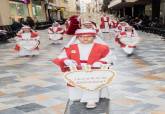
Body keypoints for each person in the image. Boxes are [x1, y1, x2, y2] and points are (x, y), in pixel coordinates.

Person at [52, 29, 113, 108]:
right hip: (77, 69)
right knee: (77, 82)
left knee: (92, 83)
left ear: (94, 37)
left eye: (89, 36)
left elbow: (110, 57)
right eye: (81, 37)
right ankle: (78, 96)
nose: (85, 38)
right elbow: (61, 57)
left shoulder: (102, 47)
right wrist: (67, 60)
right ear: (77, 38)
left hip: (93, 70)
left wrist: (101, 62)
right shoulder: (71, 47)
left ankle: (91, 99)